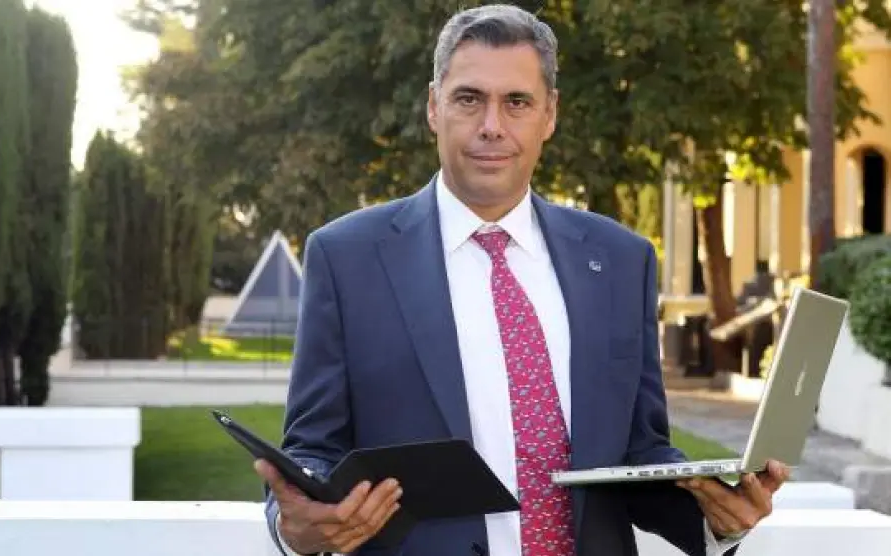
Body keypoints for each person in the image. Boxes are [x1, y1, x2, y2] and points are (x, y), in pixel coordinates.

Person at [254, 4, 789, 556]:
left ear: (549, 114)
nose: (492, 126)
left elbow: (640, 454)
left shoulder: (620, 260)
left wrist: (717, 517)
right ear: (434, 106)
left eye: (516, 102)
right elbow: (312, 449)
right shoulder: (347, 257)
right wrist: (295, 524)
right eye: (469, 99)